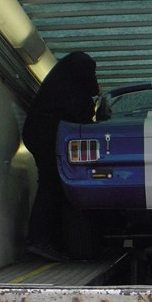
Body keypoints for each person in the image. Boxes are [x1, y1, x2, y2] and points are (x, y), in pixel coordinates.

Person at [22, 51, 99, 262]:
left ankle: (45, 241)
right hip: (48, 134)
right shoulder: (70, 91)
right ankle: (40, 241)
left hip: (41, 133)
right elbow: (83, 115)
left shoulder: (60, 85)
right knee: (53, 185)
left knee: (51, 184)